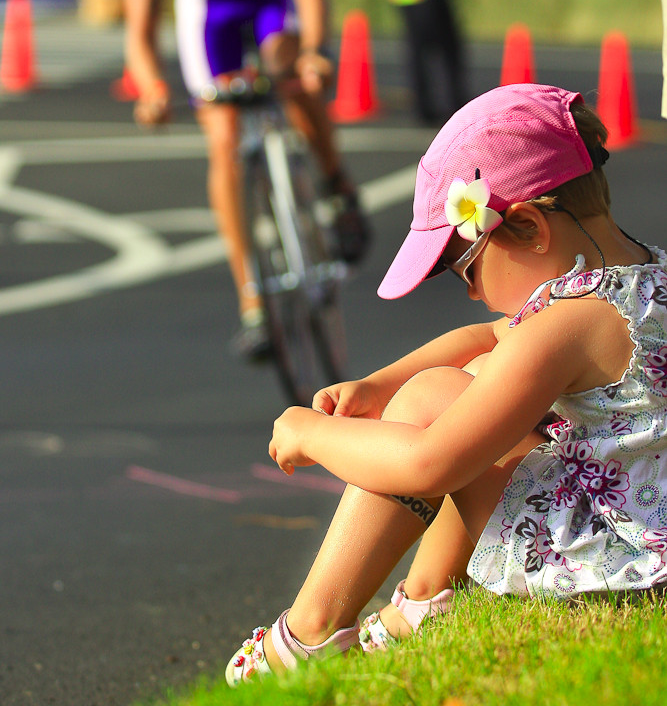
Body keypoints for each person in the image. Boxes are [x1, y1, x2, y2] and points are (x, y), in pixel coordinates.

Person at [224, 82, 667, 684]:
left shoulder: (567, 325)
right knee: (453, 382)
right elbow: (488, 339)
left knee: (435, 405)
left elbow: (431, 464)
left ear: (531, 228)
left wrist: (312, 434)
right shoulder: (637, 278)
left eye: (466, 264)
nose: (472, 291)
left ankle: (309, 632)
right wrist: (383, 384)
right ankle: (424, 604)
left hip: (617, 570)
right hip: (643, 536)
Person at [120, 0, 370, 357]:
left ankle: (336, 187)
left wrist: (316, 51)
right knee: (223, 141)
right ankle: (252, 299)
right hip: (211, 15)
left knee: (290, 68)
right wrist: (152, 88)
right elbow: (140, 26)